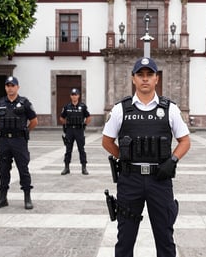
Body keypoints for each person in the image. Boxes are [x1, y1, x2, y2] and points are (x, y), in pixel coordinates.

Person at [102, 57, 190, 257]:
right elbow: (107, 141)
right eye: (140, 75)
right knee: (125, 239)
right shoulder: (120, 109)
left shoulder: (170, 109)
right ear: (133, 78)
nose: (145, 79)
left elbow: (185, 141)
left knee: (165, 237)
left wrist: (173, 161)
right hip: (130, 181)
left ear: (156, 79)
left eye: (149, 74)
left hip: (160, 180)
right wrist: (125, 157)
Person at [0, 76, 38, 210]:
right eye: (8, 85)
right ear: (5, 87)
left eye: (13, 85)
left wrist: (24, 132)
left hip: (19, 141)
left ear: (17, 87)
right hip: (4, 141)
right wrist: (4, 133)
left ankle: (27, 197)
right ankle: (2, 198)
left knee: (23, 169)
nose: (10, 88)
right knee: (3, 170)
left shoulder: (25, 103)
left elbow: (34, 121)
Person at [60, 88, 91, 175]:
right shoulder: (67, 107)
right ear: (70, 96)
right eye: (72, 95)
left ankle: (84, 168)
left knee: (81, 149)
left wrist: (84, 125)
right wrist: (67, 123)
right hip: (69, 130)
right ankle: (66, 168)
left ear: (78, 96)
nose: (74, 96)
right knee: (68, 149)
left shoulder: (83, 106)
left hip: (79, 130)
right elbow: (61, 118)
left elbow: (88, 117)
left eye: (76, 95)